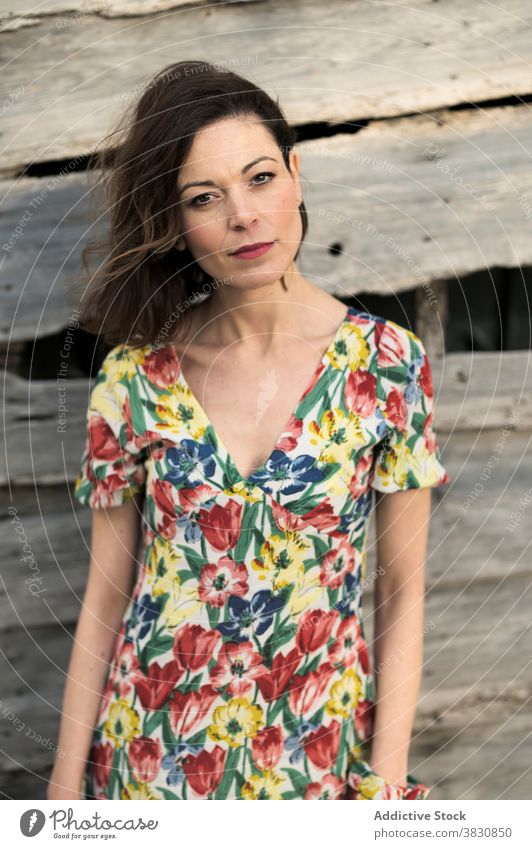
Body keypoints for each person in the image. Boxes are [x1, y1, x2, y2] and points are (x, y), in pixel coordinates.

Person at [48, 60, 450, 801]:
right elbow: (107, 598)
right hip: (150, 765)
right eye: (206, 197)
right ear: (173, 223)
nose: (244, 215)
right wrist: (64, 793)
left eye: (261, 177)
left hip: (318, 766)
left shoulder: (385, 364)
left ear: (297, 173)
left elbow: (401, 588)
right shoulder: (134, 382)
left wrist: (385, 785)